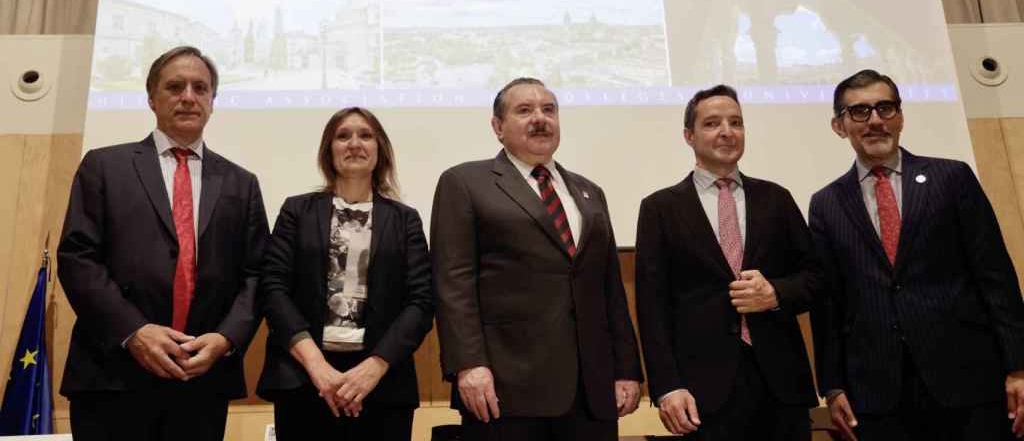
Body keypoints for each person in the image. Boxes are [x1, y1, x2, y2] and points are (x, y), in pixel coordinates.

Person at [58, 46, 268, 440]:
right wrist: (133, 332)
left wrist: (225, 339)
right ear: (152, 98)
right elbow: (77, 258)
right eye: (175, 87)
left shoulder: (242, 183)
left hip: (202, 381)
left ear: (212, 102)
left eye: (200, 88)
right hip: (113, 375)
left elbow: (257, 274)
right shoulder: (103, 166)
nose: (188, 96)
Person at [810, 69, 1024, 440]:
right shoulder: (826, 203)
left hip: (968, 382)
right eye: (860, 112)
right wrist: (833, 386)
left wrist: (1018, 366)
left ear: (901, 116)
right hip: (878, 395)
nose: (875, 120)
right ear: (839, 126)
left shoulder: (951, 178)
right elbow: (830, 303)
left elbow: (995, 276)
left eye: (885, 107)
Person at [431, 77, 643, 440]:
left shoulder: (590, 191)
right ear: (498, 127)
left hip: (591, 392)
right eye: (524, 110)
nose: (540, 118)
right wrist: (468, 366)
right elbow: (453, 283)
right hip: (505, 388)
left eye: (549, 109)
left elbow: (608, 287)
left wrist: (626, 367)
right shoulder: (464, 182)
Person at [635, 84, 821, 440]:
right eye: (712, 123)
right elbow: (651, 306)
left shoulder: (776, 199)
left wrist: (776, 293)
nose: (727, 131)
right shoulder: (660, 208)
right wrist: (666, 386)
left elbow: (816, 278)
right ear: (689, 135)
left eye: (736, 122)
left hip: (781, 386)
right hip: (702, 393)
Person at [258, 107, 432, 440]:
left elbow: (421, 302)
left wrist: (373, 368)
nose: (354, 143)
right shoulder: (297, 210)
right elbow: (273, 289)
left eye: (365, 135)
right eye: (343, 136)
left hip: (382, 386)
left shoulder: (405, 219)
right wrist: (317, 367)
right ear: (329, 149)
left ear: (379, 149)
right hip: (304, 380)